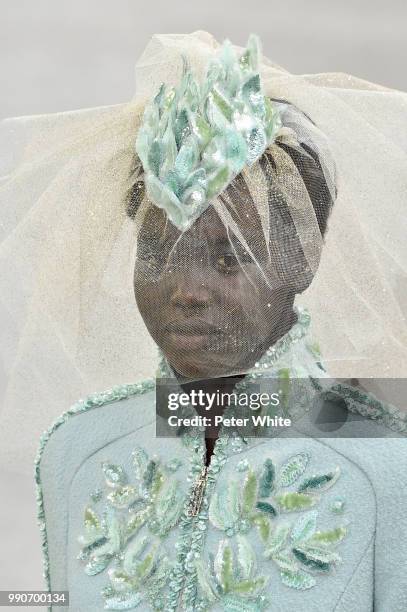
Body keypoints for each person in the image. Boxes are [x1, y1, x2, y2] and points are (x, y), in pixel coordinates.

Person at [10, 32, 407, 611]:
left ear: (301, 261)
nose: (186, 290)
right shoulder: (78, 451)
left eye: (227, 258)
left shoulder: (385, 469)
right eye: (160, 254)